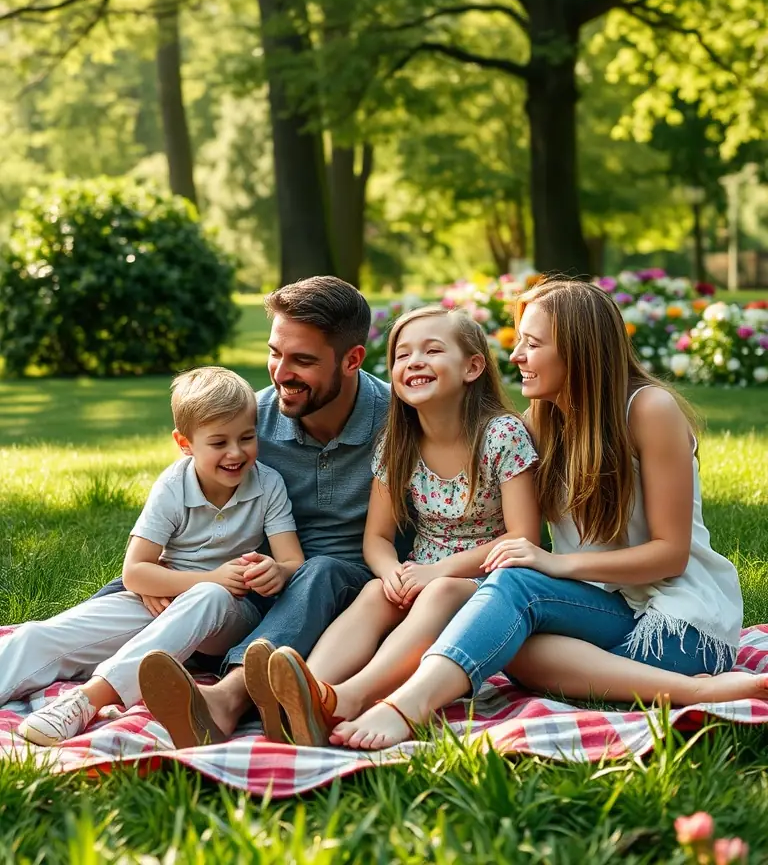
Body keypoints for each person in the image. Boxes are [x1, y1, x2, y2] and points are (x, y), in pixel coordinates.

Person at [327, 278, 751, 750]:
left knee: (512, 584)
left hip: (679, 629)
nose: (515, 357)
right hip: (604, 616)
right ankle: (691, 694)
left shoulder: (649, 409)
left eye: (532, 344)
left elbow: (670, 556)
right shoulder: (541, 422)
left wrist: (554, 562)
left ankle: (404, 706)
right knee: (502, 638)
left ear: (577, 348)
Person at [261, 306, 541, 745]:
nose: (413, 362)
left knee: (442, 590)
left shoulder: (500, 434)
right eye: (401, 355)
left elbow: (523, 534)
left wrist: (436, 573)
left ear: (473, 366)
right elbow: (376, 538)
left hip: (491, 580)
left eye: (431, 350)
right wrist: (391, 571)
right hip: (418, 574)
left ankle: (351, 696)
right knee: (376, 592)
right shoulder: (399, 441)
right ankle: (304, 692)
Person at [136, 276, 390, 747]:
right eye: (275, 352)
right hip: (262, 583)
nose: (280, 372)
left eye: (303, 360)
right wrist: (163, 574)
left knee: (321, 571)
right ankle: (81, 685)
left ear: (353, 359)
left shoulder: (399, 421)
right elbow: (190, 497)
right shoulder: (249, 423)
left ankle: (228, 698)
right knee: (130, 587)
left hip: (356, 589)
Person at [3, 367, 304, 746]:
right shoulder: (173, 487)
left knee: (209, 596)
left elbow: (293, 562)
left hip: (230, 619)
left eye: (246, 437)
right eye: (218, 442)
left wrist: (276, 570)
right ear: (185, 443)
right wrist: (206, 578)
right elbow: (135, 573)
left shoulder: (268, 485)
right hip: (165, 600)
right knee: (45, 634)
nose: (236, 452)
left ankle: (86, 701)